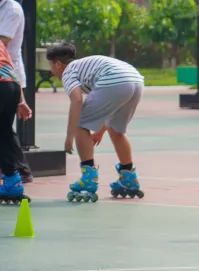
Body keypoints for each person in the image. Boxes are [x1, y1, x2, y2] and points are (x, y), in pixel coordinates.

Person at [46, 44, 146, 202]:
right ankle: (128, 178)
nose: (51, 71)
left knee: (80, 124)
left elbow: (77, 100)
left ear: (58, 64)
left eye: (51, 66)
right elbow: (110, 106)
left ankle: (88, 178)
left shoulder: (68, 72)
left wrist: (69, 136)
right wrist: (101, 130)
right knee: (116, 130)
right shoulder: (84, 66)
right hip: (135, 80)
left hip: (115, 80)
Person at [0, 0, 31, 182]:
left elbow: (3, 41)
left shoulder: (12, 9)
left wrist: (21, 97)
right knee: (4, 128)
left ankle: (16, 170)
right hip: (7, 76)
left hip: (8, 74)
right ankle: (17, 170)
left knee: (4, 127)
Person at [0, 37, 32, 202]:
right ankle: (12, 182)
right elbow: (12, 67)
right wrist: (21, 99)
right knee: (4, 134)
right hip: (11, 84)